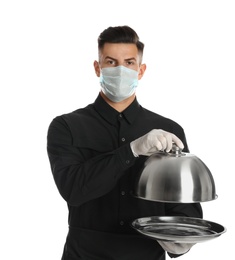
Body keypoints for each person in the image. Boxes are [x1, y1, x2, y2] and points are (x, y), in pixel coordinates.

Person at [47, 25, 203, 260]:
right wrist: (132, 150)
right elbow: (74, 190)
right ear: (97, 68)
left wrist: (183, 240)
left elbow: (183, 203)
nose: (121, 70)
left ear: (140, 71)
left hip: (146, 254)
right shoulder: (66, 126)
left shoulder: (169, 130)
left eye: (129, 63)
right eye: (111, 62)